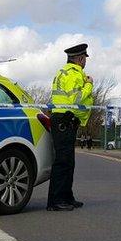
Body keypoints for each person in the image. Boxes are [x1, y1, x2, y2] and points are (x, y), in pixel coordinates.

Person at [47, 43, 93, 211]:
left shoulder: (62, 72)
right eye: (84, 58)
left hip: (63, 119)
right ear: (80, 59)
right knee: (63, 162)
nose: (85, 62)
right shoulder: (74, 74)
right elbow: (76, 98)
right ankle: (56, 201)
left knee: (68, 162)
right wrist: (89, 84)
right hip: (65, 120)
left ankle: (66, 197)